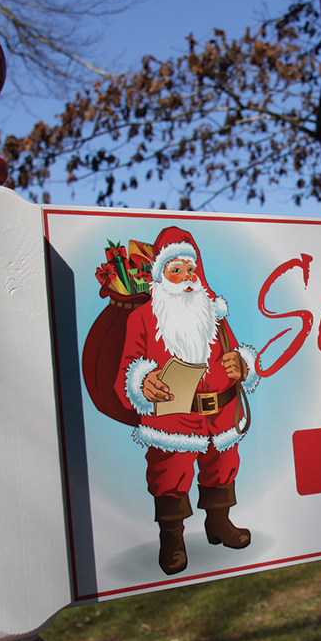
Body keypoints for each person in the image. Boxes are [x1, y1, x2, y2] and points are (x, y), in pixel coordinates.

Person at [117, 226, 261, 575]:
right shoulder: (143, 319)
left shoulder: (214, 315)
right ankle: (172, 538)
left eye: (190, 269)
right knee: (170, 473)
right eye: (175, 270)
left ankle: (219, 524)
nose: (185, 278)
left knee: (223, 467)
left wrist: (241, 365)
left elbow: (242, 357)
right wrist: (143, 381)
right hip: (173, 417)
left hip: (222, 412)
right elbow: (127, 372)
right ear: (161, 276)